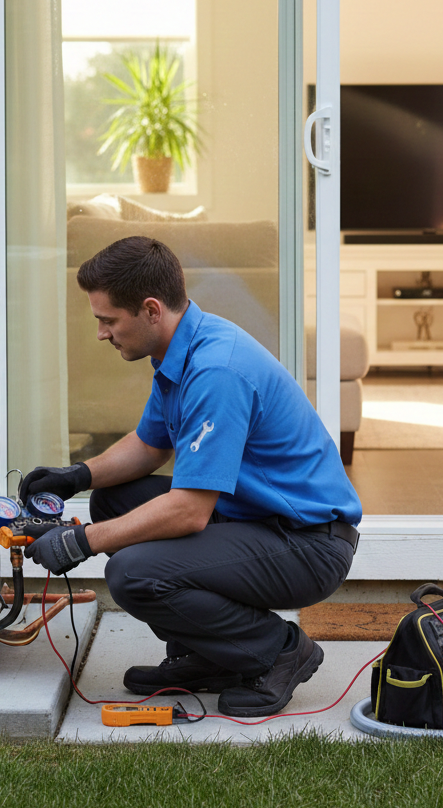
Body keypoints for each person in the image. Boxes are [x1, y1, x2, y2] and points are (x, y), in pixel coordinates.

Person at [21, 235, 361, 717]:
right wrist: (76, 476)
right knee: (114, 499)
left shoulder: (215, 371)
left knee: (131, 574)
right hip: (258, 521)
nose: (101, 333)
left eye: (108, 320)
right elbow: (149, 444)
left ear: (151, 309)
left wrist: (82, 542)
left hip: (307, 543)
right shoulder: (182, 348)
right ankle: (210, 656)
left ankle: (278, 650)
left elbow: (190, 510)